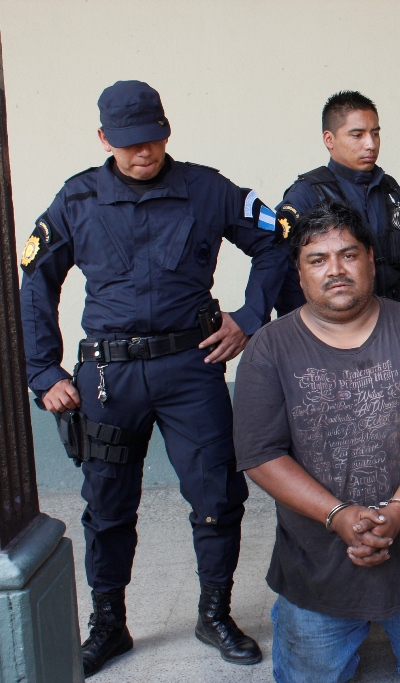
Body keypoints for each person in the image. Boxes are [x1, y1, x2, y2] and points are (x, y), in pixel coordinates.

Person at [18, 80, 286, 676]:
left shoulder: (207, 188)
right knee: (107, 506)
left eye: (155, 138)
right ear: (104, 140)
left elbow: (276, 242)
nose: (145, 152)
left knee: (217, 496)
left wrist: (248, 316)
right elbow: (36, 279)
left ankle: (214, 613)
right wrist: (43, 369)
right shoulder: (76, 199)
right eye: (131, 143)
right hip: (108, 379)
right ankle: (109, 625)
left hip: (192, 370)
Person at [232, 201, 400, 682]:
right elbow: (262, 456)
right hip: (316, 567)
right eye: (318, 260)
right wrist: (338, 515)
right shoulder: (269, 348)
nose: (336, 270)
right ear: (299, 274)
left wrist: (399, 510)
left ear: (370, 259)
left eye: (348, 255)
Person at [273, 90, 400, 317]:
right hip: (336, 334)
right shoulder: (306, 195)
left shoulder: (390, 189)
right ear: (329, 139)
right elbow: (287, 279)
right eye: (357, 135)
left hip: (398, 328)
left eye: (375, 133)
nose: (370, 144)